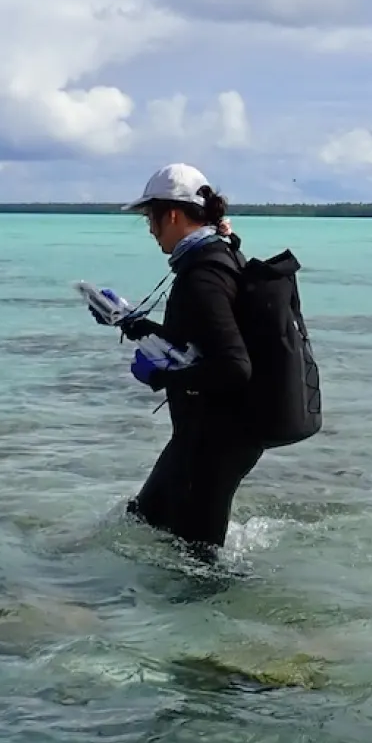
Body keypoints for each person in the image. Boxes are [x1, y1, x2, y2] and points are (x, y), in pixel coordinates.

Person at [107, 163, 263, 561]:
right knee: (143, 520)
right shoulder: (213, 259)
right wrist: (137, 325)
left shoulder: (203, 276)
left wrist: (161, 375)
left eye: (150, 217)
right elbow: (201, 339)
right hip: (207, 434)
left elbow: (234, 366)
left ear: (172, 214)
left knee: (199, 564)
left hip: (217, 440)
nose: (149, 228)